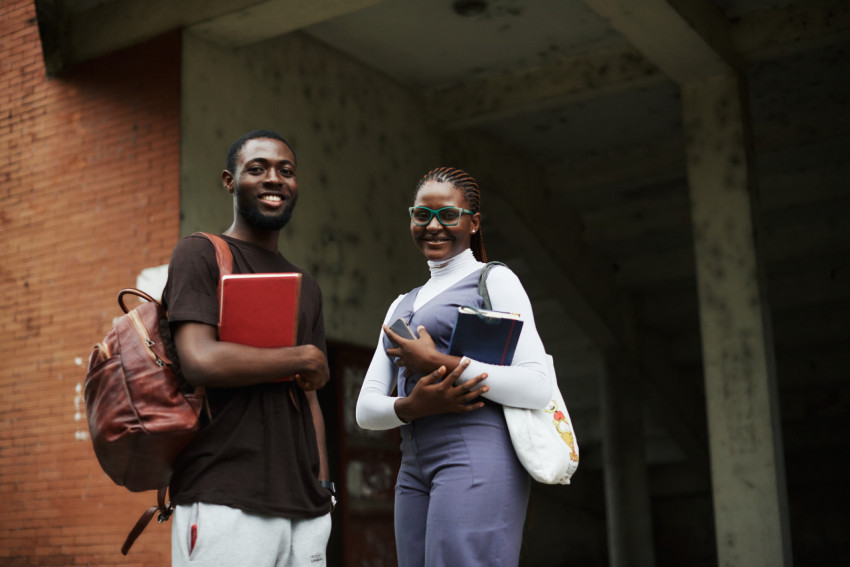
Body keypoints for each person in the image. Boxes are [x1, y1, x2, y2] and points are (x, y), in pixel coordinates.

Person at [356, 166, 552, 567]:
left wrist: (437, 363)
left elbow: (537, 385)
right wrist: (412, 407)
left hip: (477, 452)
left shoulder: (494, 281)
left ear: (473, 223)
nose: (434, 226)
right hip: (413, 464)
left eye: (448, 215)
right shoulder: (401, 305)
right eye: (421, 215)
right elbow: (365, 409)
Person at [161, 130, 335, 566]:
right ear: (229, 180)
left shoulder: (306, 285)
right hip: (224, 493)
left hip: (305, 505)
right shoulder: (199, 253)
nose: (274, 179)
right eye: (257, 169)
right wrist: (301, 356)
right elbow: (199, 360)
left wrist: (324, 485)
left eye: (286, 171)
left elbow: (308, 395)